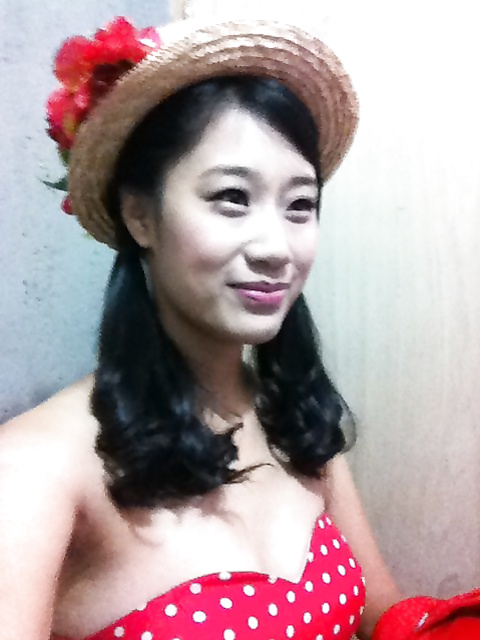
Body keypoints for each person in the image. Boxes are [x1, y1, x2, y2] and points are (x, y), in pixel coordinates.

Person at [1, 15, 478, 640]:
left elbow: (380, 614)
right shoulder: (36, 468)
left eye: (300, 205)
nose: (276, 248)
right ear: (139, 216)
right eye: (231, 198)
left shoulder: (293, 417)